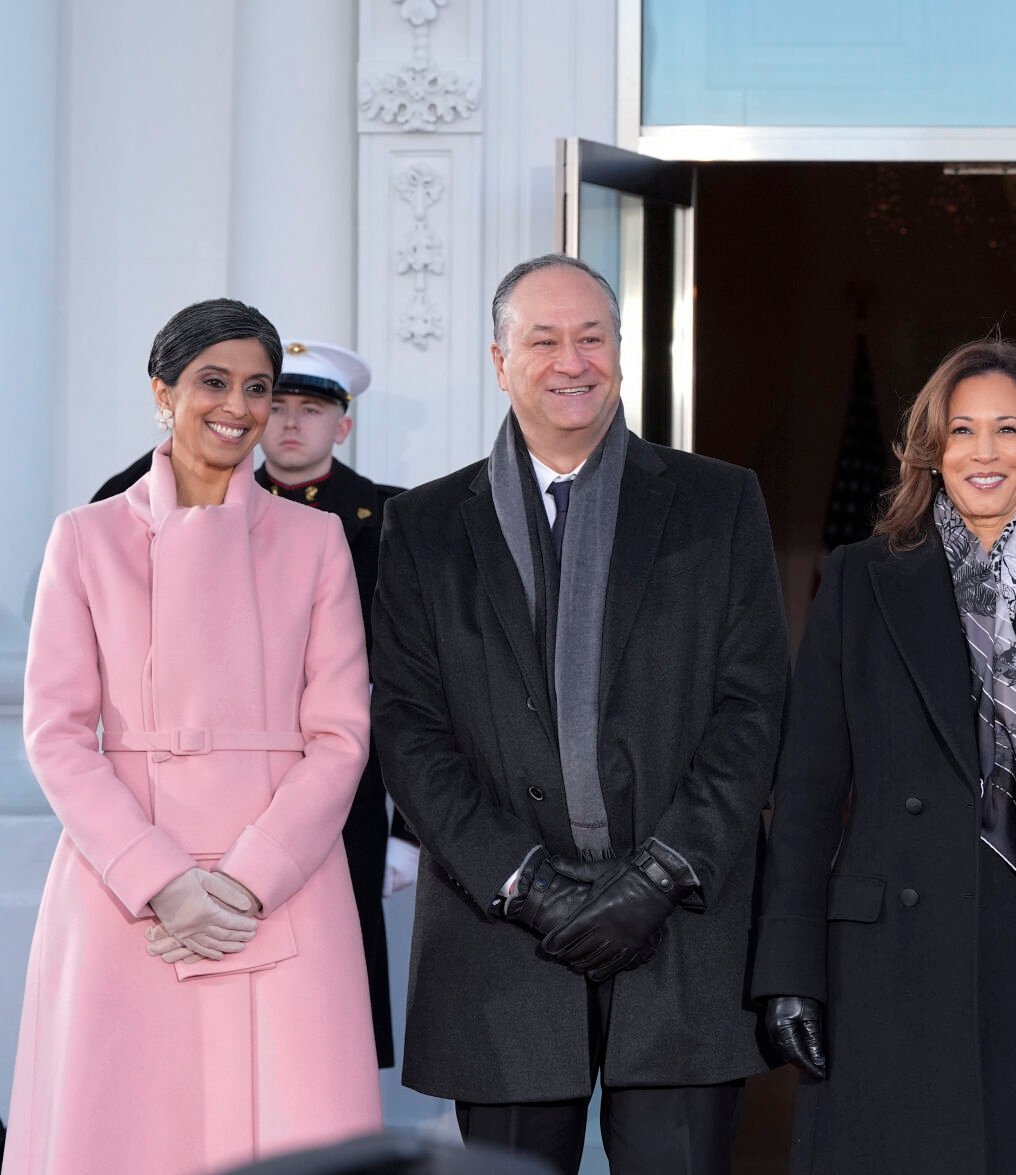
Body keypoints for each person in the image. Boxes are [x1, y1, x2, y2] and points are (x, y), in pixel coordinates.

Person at [371, 254, 788, 1174]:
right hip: (502, 936)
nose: (572, 360)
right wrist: (525, 884)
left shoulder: (718, 502)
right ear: (498, 359)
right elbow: (408, 728)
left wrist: (661, 874)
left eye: (592, 336)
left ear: (620, 352)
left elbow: (752, 706)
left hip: (679, 928)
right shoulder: (427, 527)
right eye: (544, 338)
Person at [752, 337, 1016, 1174]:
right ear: (931, 448)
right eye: (961, 430)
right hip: (886, 966)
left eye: (1006, 429)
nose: (983, 452)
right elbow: (804, 793)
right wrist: (788, 969)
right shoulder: (859, 578)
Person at [7, 298, 381, 1173]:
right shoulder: (85, 538)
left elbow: (340, 733)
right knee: (131, 1125)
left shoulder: (317, 538)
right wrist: (162, 879)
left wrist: (249, 881)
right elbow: (57, 733)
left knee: (294, 1124)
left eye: (258, 386)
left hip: (284, 884)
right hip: (125, 884)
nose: (240, 406)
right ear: (162, 392)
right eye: (214, 381)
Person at [258, 338, 415, 1069]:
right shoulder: (200, 505)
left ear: (342, 426)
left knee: (330, 1005)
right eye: (276, 404)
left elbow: (420, 686)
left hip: (351, 791)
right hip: (231, 787)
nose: (290, 424)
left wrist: (409, 827)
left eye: (311, 408)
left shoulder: (394, 519)